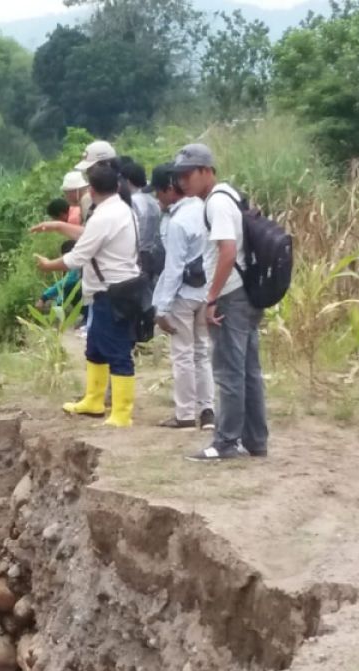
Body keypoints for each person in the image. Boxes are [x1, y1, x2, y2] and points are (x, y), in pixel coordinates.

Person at [173, 143, 268, 461]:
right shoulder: (230, 195)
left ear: (207, 171)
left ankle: (226, 442)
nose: (183, 181)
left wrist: (211, 298)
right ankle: (255, 440)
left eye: (189, 174)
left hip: (230, 295)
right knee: (248, 370)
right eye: (180, 176)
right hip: (245, 293)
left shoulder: (216, 204)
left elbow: (227, 251)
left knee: (228, 372)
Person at [36, 162, 141, 427]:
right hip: (118, 288)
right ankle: (94, 401)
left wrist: (49, 265)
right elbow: (91, 235)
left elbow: (78, 256)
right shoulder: (120, 209)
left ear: (91, 191)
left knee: (117, 351)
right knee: (94, 346)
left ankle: (121, 413)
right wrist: (58, 227)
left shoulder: (105, 216)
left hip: (111, 292)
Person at [152, 164, 215, 430]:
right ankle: (208, 411)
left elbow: (174, 267)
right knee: (203, 352)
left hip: (183, 294)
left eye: (159, 192)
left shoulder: (177, 222)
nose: (157, 199)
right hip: (208, 291)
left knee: (183, 354)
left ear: (170, 189)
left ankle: (185, 414)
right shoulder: (204, 209)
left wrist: (162, 308)